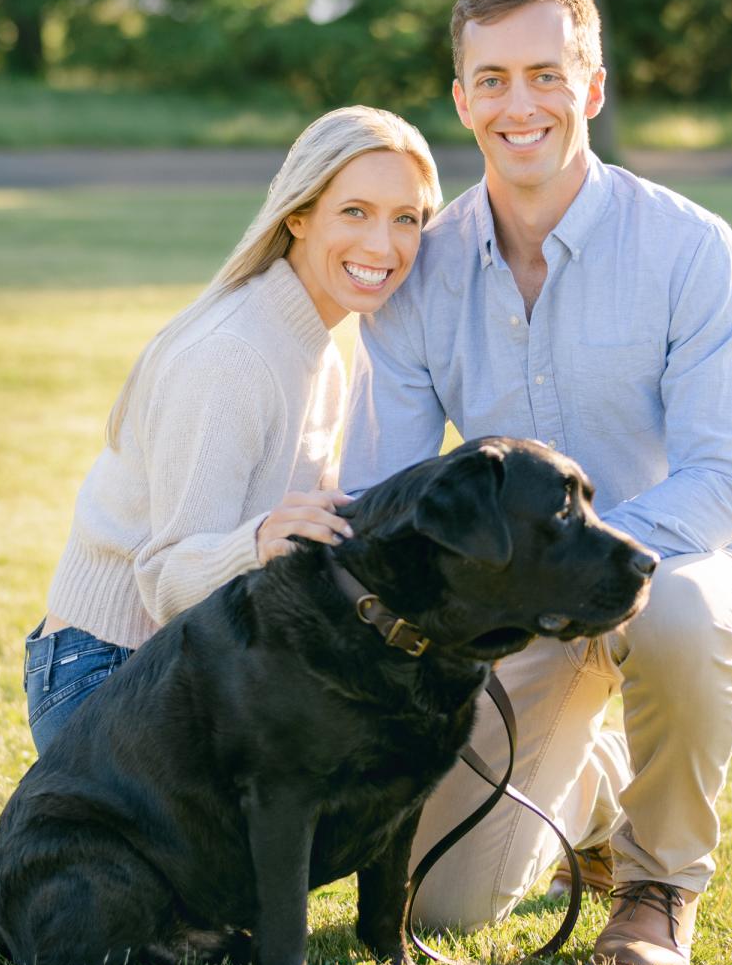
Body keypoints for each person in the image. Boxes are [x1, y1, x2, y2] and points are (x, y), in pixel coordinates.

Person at [340, 0, 732, 965]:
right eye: (490, 79)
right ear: (461, 99)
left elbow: (722, 484)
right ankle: (588, 795)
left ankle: (659, 885)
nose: (518, 103)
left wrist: (587, 577)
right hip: (518, 603)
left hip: (683, 565)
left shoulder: (689, 248)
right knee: (449, 904)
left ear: (591, 87)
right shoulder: (423, 271)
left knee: (673, 615)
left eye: (545, 72)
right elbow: (393, 492)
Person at [23, 106, 441, 755]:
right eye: (354, 212)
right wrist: (261, 542)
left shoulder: (314, 346)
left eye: (405, 218)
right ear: (297, 216)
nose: (382, 246)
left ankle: (589, 794)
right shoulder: (234, 357)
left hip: (204, 657)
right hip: (110, 676)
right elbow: (165, 582)